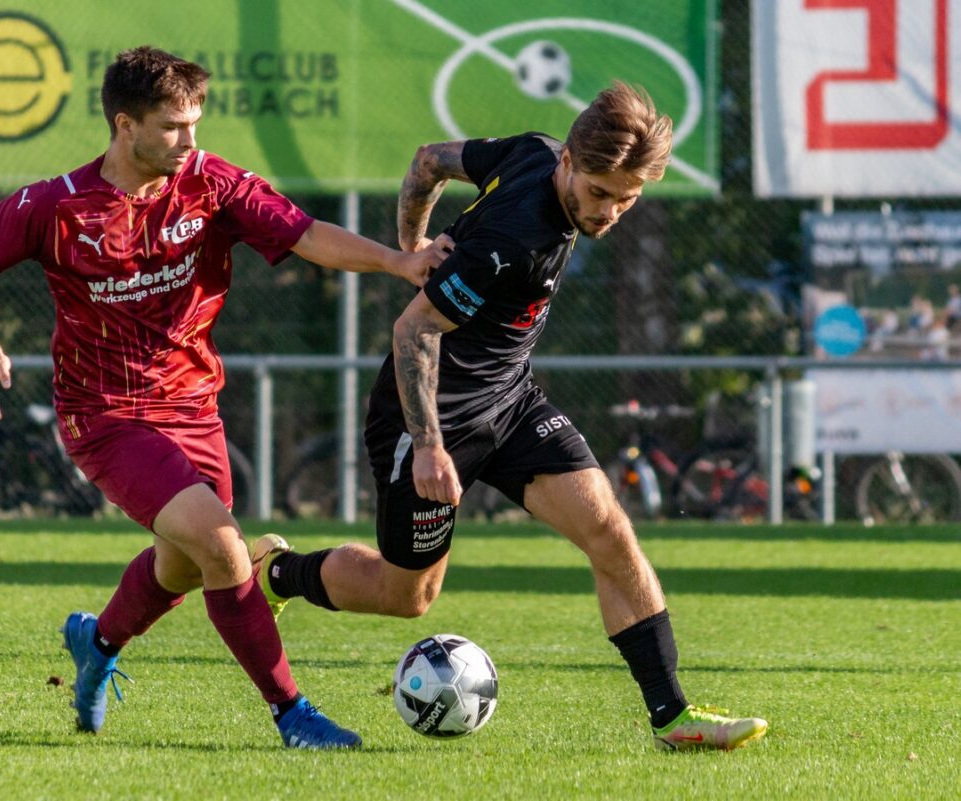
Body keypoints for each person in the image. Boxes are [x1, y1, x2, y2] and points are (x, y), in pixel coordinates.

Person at [0, 46, 445, 749]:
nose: (190, 139)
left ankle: (98, 641)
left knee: (180, 566)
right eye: (173, 126)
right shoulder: (56, 205)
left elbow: (307, 234)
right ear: (125, 125)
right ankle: (293, 714)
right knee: (225, 549)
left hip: (193, 409)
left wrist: (399, 261)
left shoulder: (212, 184)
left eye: (195, 123)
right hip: (106, 416)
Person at [253, 81, 768, 751]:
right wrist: (429, 443)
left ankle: (673, 717)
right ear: (568, 163)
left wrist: (414, 247)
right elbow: (414, 331)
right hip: (428, 418)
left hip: (511, 400)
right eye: (599, 193)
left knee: (610, 532)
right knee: (407, 595)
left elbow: (428, 160)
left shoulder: (533, 151)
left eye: (627, 197)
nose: (609, 211)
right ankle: (277, 573)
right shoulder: (514, 237)